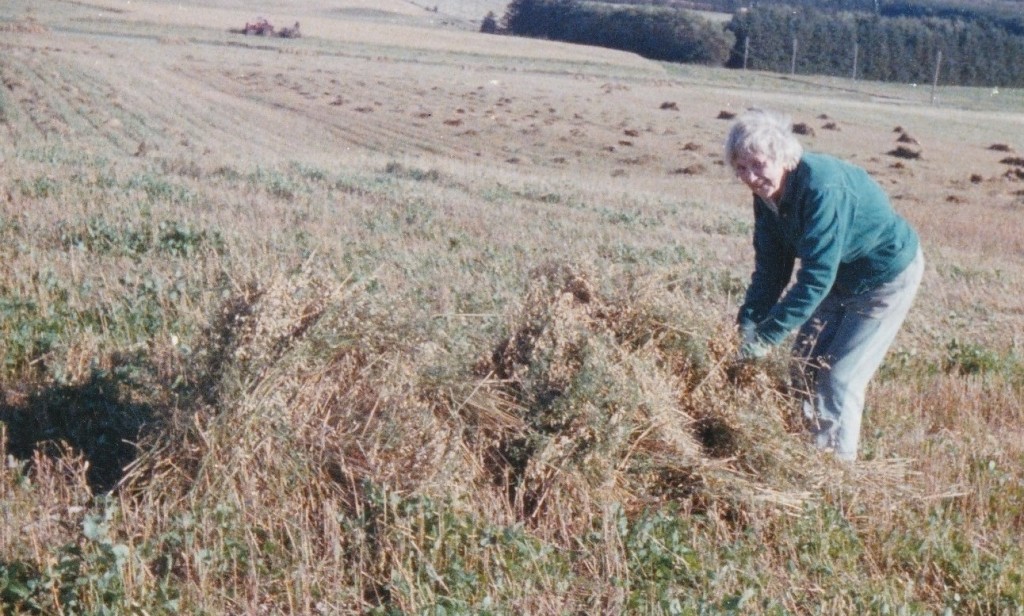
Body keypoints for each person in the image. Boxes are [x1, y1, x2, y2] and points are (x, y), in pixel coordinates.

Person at [725, 109, 924, 461]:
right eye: (741, 167)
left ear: (782, 158)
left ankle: (833, 474)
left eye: (757, 165)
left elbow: (815, 278)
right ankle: (806, 453)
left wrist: (767, 338)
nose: (751, 177)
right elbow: (771, 271)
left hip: (884, 278)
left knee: (839, 378)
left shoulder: (822, 189)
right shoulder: (767, 196)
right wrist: (747, 326)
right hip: (838, 277)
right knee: (804, 365)